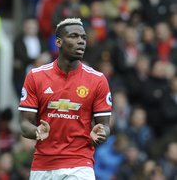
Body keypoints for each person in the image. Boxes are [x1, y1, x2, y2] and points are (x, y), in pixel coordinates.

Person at [19, 18, 112, 179]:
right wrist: (37, 131)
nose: (81, 41)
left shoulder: (98, 80)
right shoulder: (36, 76)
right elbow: (24, 123)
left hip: (80, 164)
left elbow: (104, 126)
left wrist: (102, 132)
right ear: (59, 42)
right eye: (74, 36)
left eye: (83, 37)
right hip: (43, 165)